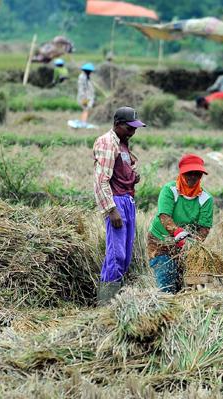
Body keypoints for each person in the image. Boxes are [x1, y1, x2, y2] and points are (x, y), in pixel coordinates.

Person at [93, 106, 146, 305]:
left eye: (135, 128)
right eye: (129, 127)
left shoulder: (123, 143)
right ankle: (106, 305)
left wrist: (133, 177)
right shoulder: (107, 143)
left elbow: (120, 171)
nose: (133, 131)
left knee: (125, 256)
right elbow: (101, 180)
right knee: (116, 255)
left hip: (128, 200)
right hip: (116, 202)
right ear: (117, 124)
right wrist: (111, 209)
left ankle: (117, 304)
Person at [147, 154, 214, 294]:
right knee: (166, 278)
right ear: (182, 173)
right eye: (189, 173)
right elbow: (164, 216)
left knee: (188, 283)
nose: (193, 177)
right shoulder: (170, 190)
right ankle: (166, 307)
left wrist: (194, 243)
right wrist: (178, 234)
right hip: (161, 241)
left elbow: (204, 228)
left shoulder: (206, 198)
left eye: (197, 174)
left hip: (187, 245)